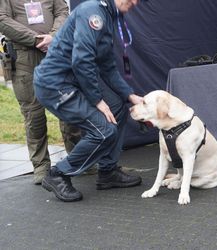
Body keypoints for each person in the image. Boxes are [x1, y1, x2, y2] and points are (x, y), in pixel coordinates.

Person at [33, 0, 145, 202]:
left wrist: (130, 95)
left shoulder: (109, 16)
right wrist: (97, 101)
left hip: (75, 80)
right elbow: (81, 61)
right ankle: (58, 174)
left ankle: (108, 172)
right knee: (104, 131)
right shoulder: (93, 13)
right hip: (56, 84)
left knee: (119, 106)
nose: (135, 2)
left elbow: (108, 67)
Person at [0, 0, 82, 184]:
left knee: (69, 107)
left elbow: (62, 11)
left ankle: (77, 159)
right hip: (23, 57)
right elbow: (1, 18)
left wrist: (53, 36)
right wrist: (35, 39)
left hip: (56, 52)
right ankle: (41, 166)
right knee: (33, 114)